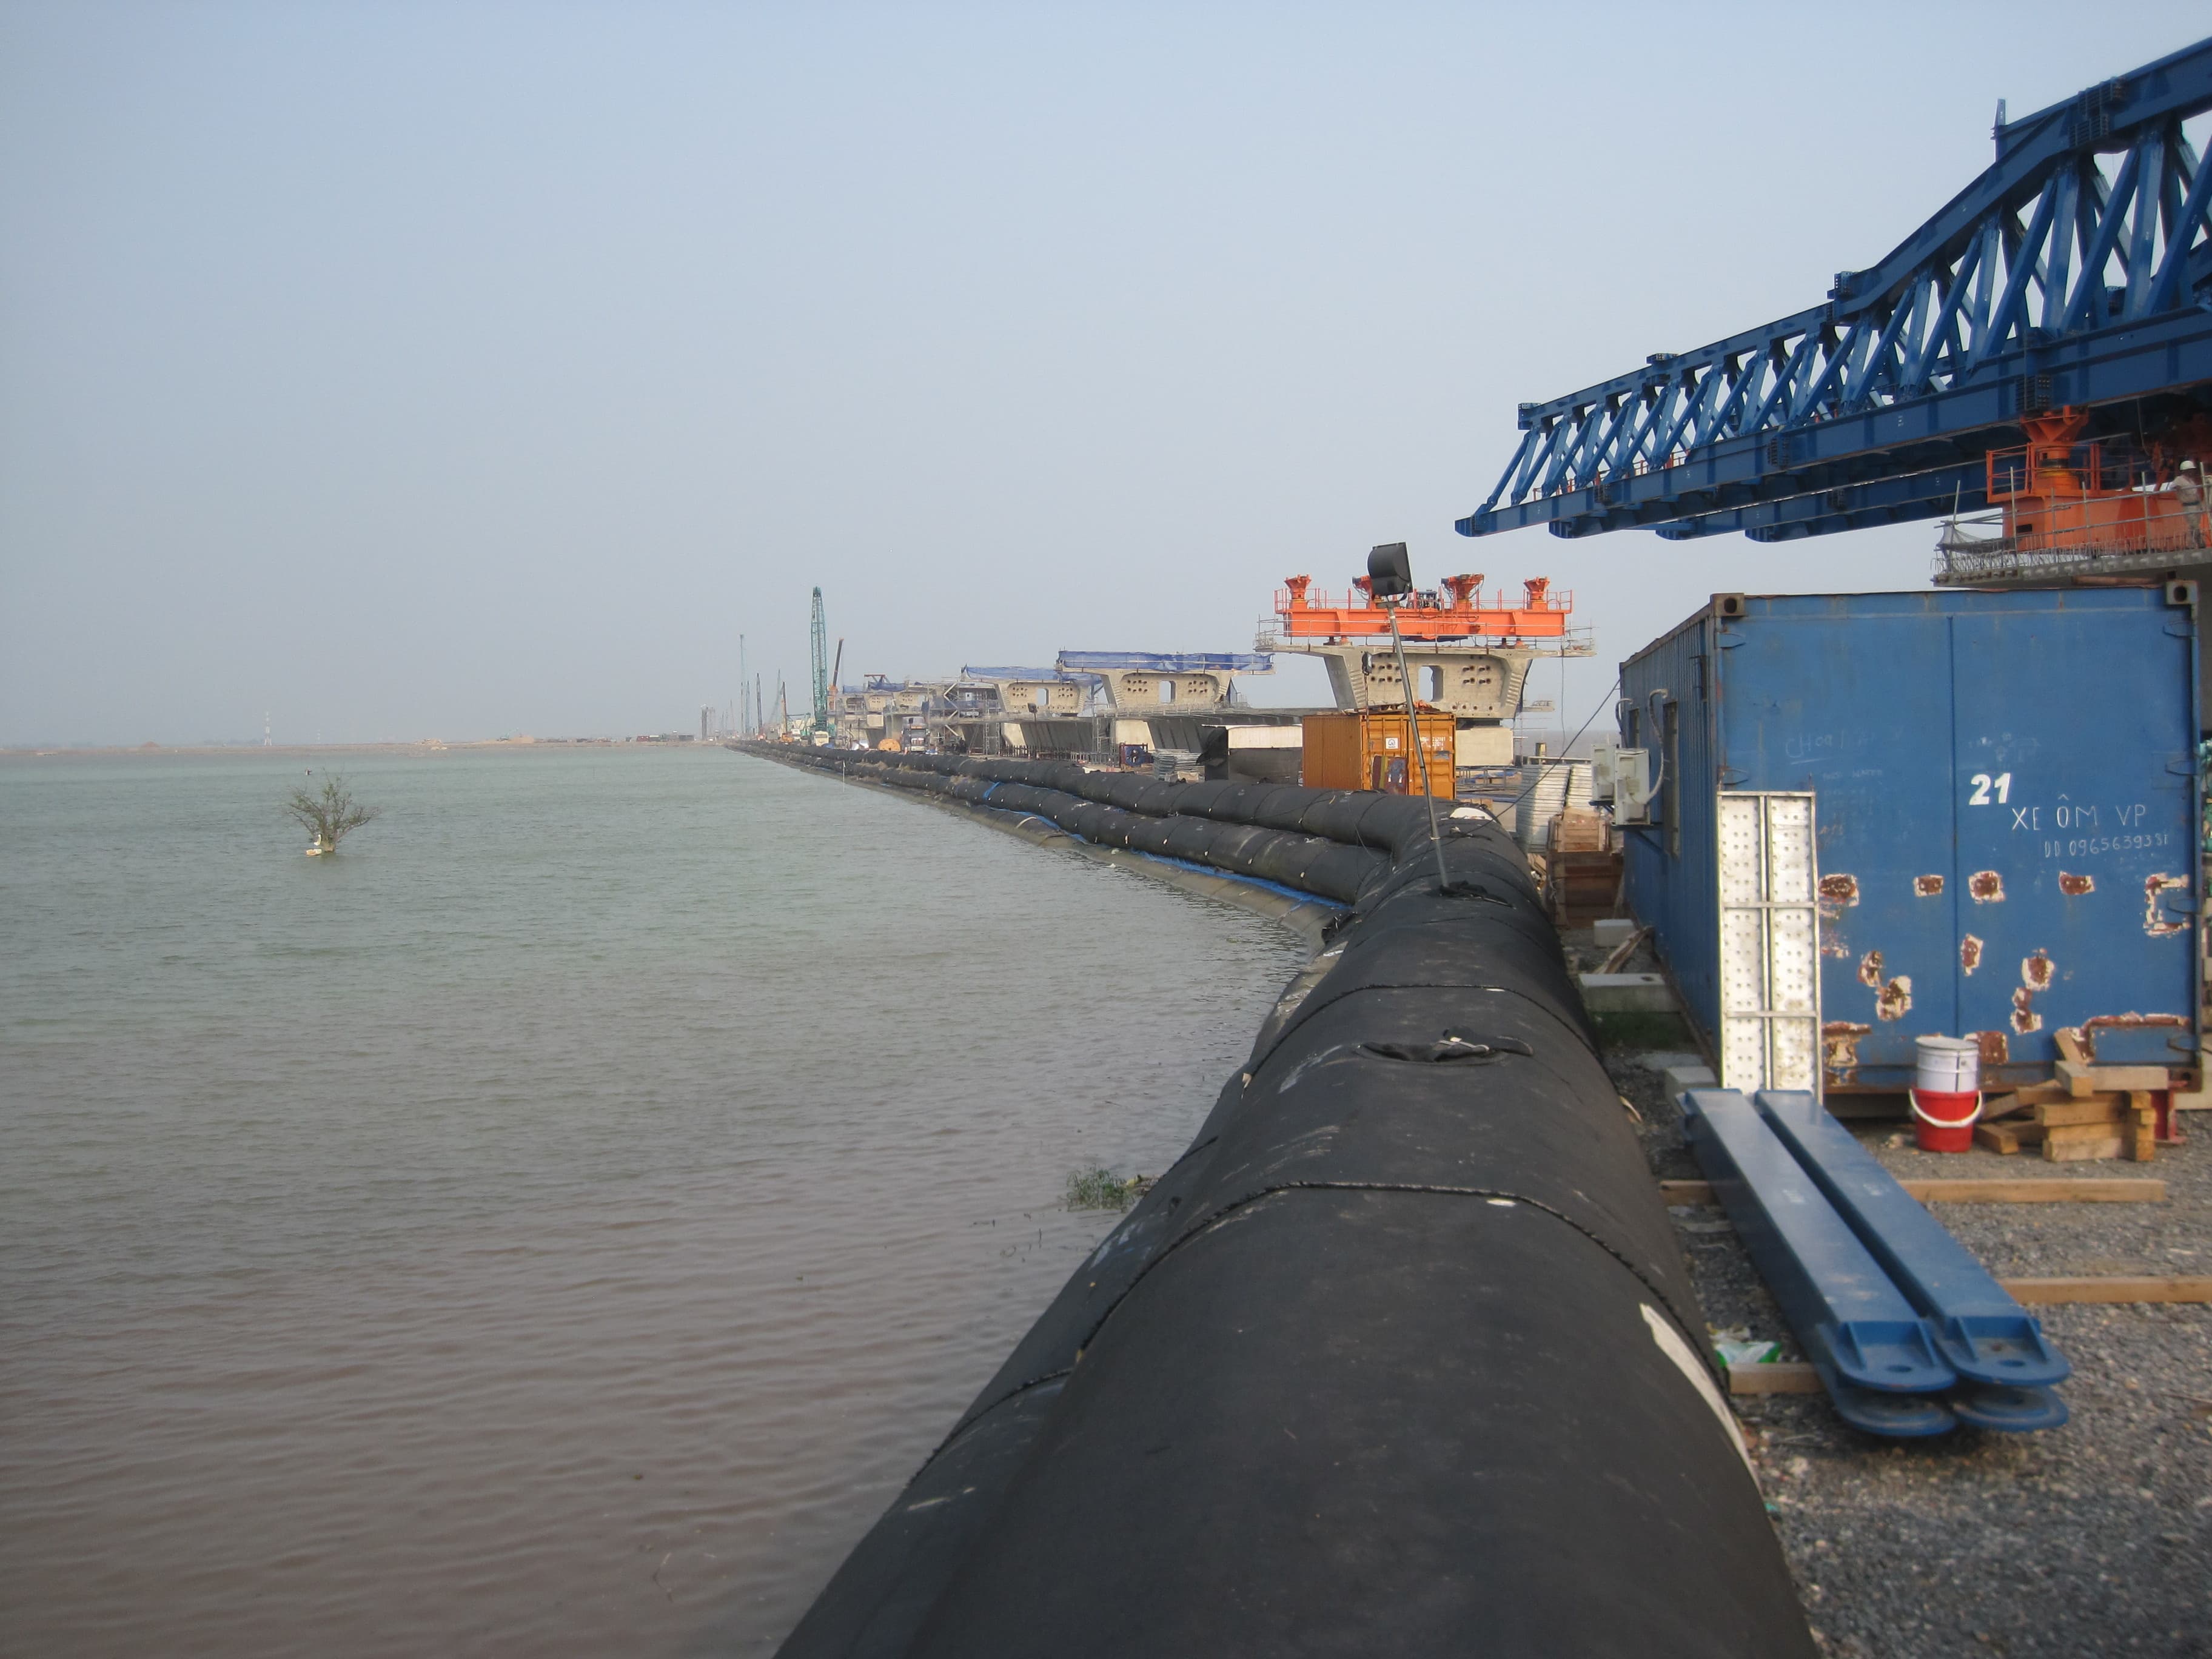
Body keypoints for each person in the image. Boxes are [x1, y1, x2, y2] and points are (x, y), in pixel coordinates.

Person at [2179, 460, 2208, 548]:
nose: (2192, 472)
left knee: (2195, 525)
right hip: (2189, 506)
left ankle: (2195, 543)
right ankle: (2197, 543)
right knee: (2193, 525)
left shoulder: (2191, 482)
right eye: (2190, 470)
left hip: (2196, 506)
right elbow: (2175, 487)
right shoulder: (2180, 480)